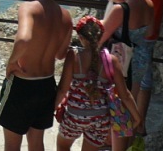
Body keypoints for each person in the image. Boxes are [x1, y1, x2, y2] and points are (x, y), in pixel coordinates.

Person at [0, 0, 73, 151]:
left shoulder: (28, 8)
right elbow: (61, 54)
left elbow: (23, 39)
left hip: (22, 84)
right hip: (46, 85)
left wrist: (11, 63)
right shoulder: (65, 15)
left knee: (12, 146)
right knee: (36, 143)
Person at [55, 16, 141, 151]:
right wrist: (137, 117)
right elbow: (125, 95)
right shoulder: (112, 60)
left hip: (75, 115)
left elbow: (62, 89)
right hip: (100, 119)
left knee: (62, 145)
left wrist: (52, 108)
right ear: (101, 37)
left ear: (80, 37)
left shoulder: (74, 56)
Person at [99, 0, 153, 151]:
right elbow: (144, 30)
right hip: (139, 61)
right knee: (129, 106)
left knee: (118, 111)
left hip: (122, 65)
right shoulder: (148, 4)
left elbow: (101, 36)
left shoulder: (120, 10)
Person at [125, 0, 163, 138]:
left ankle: (136, 123)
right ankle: (138, 122)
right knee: (142, 78)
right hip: (152, 31)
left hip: (138, 34)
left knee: (137, 79)